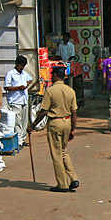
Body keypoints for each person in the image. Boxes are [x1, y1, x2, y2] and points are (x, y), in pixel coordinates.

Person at [38, 65, 78, 193]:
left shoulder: (50, 91)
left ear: (55, 75)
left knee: (56, 154)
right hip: (67, 121)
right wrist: (73, 129)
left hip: (55, 122)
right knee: (63, 151)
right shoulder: (70, 91)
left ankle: (62, 184)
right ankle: (73, 178)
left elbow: (43, 111)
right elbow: (74, 112)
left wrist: (33, 125)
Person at [4, 55, 34, 145]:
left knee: (24, 121)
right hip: (15, 101)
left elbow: (30, 80)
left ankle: (23, 139)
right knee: (18, 122)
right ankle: (19, 141)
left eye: (23, 66)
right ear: (16, 64)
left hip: (24, 100)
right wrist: (18, 88)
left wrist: (26, 84)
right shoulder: (10, 74)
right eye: (21, 65)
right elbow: (6, 87)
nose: (22, 67)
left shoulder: (24, 74)